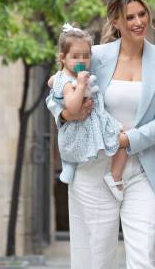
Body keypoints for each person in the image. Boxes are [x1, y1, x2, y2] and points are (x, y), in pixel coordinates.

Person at [46, 0, 155, 269]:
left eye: (142, 14)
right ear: (115, 22)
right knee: (96, 257)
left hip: (147, 169)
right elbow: (58, 90)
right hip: (96, 169)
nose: (138, 21)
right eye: (129, 17)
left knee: (144, 254)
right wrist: (66, 115)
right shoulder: (94, 55)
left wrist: (124, 140)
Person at [49, 23, 128, 200]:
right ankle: (111, 176)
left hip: (95, 119)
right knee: (120, 139)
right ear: (63, 58)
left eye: (85, 56)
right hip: (79, 126)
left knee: (123, 138)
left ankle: (114, 175)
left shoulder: (75, 75)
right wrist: (81, 85)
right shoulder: (69, 82)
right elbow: (73, 107)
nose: (81, 60)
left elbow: (52, 81)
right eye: (75, 56)